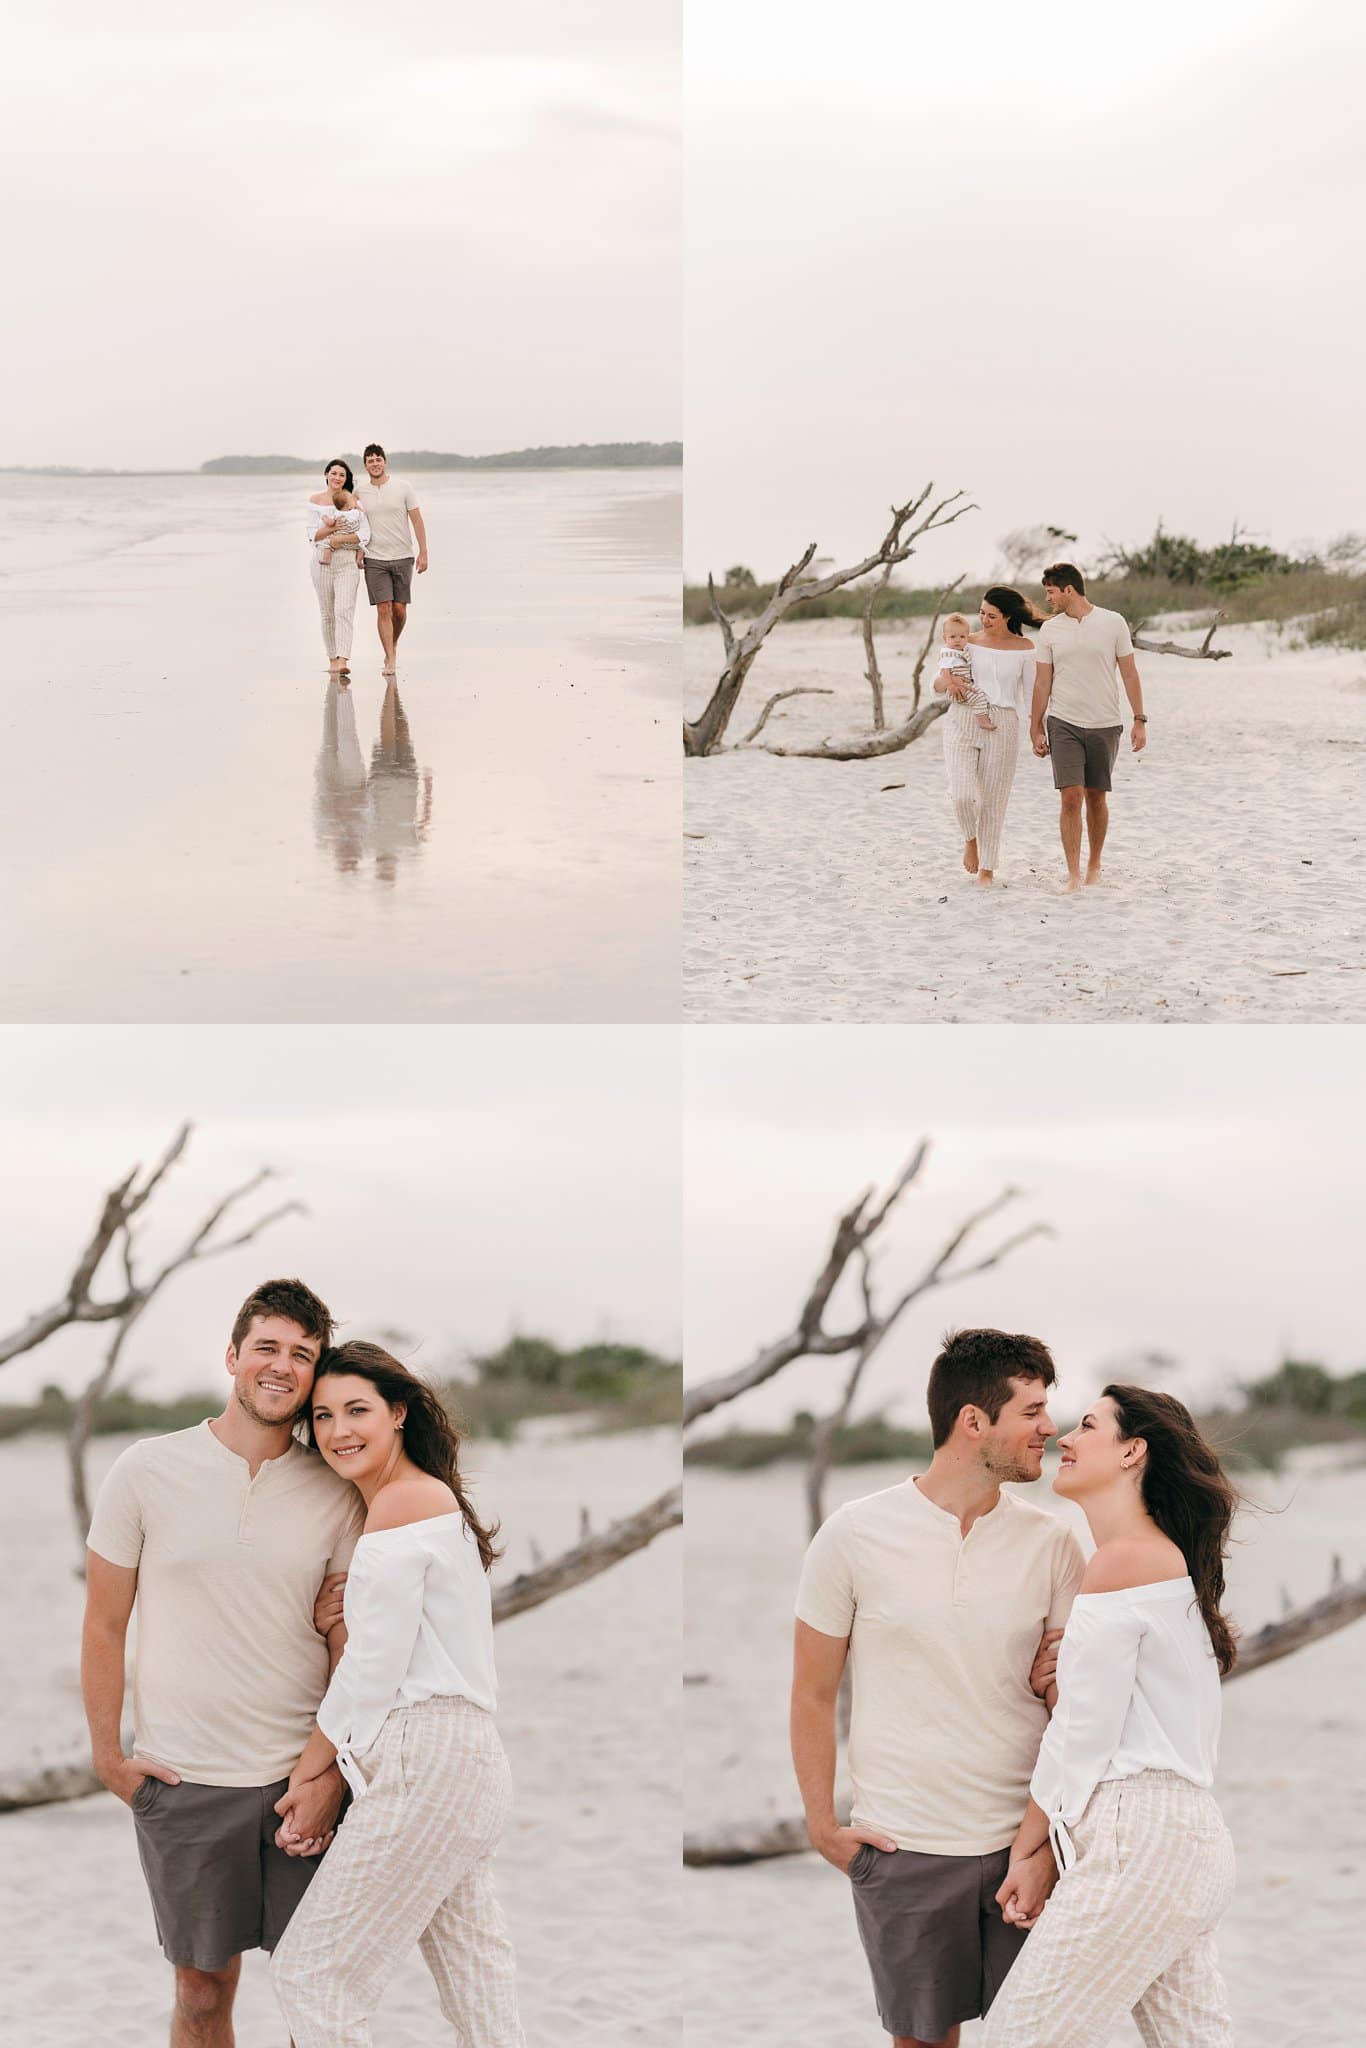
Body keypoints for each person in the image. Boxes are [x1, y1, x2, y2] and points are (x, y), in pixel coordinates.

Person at [81, 1278, 363, 2048]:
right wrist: (110, 1758)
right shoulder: (145, 1470)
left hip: (298, 1782)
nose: (282, 1366)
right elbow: (104, 1624)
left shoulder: (335, 1488)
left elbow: (349, 1643)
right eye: (267, 1347)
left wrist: (331, 1772)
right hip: (184, 1780)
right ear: (234, 1356)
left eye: (302, 1355)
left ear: (314, 1375)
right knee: (202, 1992)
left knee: (317, 1991)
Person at [790, 1329, 1086, 2048]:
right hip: (905, 1846)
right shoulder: (854, 1534)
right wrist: (824, 1828)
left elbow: (1077, 1710)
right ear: (974, 1421)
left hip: (1027, 1844)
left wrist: (1044, 1845)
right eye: (1033, 1411)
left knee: (1039, 2037)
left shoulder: (1054, 1544)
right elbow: (812, 1692)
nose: (1050, 1428)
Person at [271, 1342, 524, 2048]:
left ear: (399, 1414)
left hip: (428, 1756)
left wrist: (310, 1766)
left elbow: (374, 1672)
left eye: (358, 1410)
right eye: (322, 1416)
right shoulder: (423, 1502)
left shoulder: (404, 1502)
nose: (338, 1430)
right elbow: (385, 1651)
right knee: (478, 1984)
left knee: (311, 1973)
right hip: (465, 1761)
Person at [984, 1386, 1238, 2047]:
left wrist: (1028, 1846)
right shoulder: (1161, 1565)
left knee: (1019, 2038)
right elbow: (1099, 1715)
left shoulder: (1122, 1562)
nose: (1065, 1437)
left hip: (1144, 1838)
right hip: (1187, 1840)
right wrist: (1062, 1688)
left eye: (1088, 1425)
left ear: (1133, 1450)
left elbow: (1083, 1737)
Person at [1029, 564, 1148, 893]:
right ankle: (1073, 874)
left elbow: (1130, 674)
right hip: (1063, 721)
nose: (1048, 598)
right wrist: (1035, 725)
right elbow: (1042, 682)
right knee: (1070, 797)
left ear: (1068, 590)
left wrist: (1139, 718)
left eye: (1051, 592)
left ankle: (1094, 864)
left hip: (1106, 723)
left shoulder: (1113, 622)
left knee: (1096, 797)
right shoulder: (1050, 631)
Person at [933, 588, 1041, 887]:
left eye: (991, 615)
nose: (983, 619)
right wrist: (947, 682)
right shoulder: (966, 642)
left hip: (1004, 723)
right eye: (981, 612)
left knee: (994, 801)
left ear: (1008, 616)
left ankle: (987, 869)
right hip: (962, 719)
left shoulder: (1026, 648)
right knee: (963, 795)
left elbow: (1032, 694)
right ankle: (970, 840)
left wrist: (1037, 731)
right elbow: (938, 679)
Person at [354, 443, 428, 677]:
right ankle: (390, 657)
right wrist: (357, 548)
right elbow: (353, 521)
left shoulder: (403, 487)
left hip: (403, 555)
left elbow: (417, 520)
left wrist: (423, 551)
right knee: (383, 608)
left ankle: (392, 644)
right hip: (374, 557)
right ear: (365, 465)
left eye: (378, 459)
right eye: (370, 460)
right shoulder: (359, 492)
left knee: (399, 610)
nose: (374, 463)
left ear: (385, 462)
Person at [307, 460, 371, 675]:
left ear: (346, 479)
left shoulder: (353, 501)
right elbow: (312, 536)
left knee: (344, 610)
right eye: (333, 473)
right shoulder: (315, 501)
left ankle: (343, 659)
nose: (337, 478)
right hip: (321, 561)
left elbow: (364, 532)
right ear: (326, 474)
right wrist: (329, 531)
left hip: (347, 561)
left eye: (342, 475)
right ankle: (332, 659)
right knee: (327, 613)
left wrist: (341, 539)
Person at [934, 615, 998, 731]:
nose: (957, 640)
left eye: (962, 636)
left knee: (979, 695)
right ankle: (982, 721)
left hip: (963, 686)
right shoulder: (948, 654)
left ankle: (982, 717)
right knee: (979, 697)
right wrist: (951, 685)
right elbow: (944, 672)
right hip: (955, 689)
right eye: (952, 637)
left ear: (967, 638)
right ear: (945, 638)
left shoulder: (962, 651)